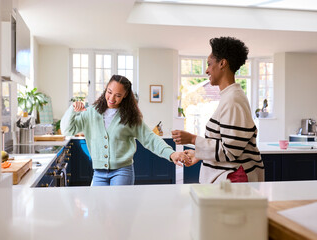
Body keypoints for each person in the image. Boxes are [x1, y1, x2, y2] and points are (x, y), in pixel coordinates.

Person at [61, 74, 189, 186]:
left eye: (118, 95)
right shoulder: (90, 113)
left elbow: (150, 139)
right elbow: (67, 130)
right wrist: (72, 110)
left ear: (125, 95)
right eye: (109, 92)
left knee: (118, 211)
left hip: (122, 172)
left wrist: (171, 154)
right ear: (105, 89)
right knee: (98, 210)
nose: (112, 98)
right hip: (98, 173)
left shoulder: (130, 117)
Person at [172, 36, 264, 184]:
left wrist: (192, 139)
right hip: (228, 180)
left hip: (233, 181)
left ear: (222, 64)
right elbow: (227, 146)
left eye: (209, 64)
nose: (207, 70)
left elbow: (230, 153)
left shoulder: (233, 99)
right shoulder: (229, 97)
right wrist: (199, 154)